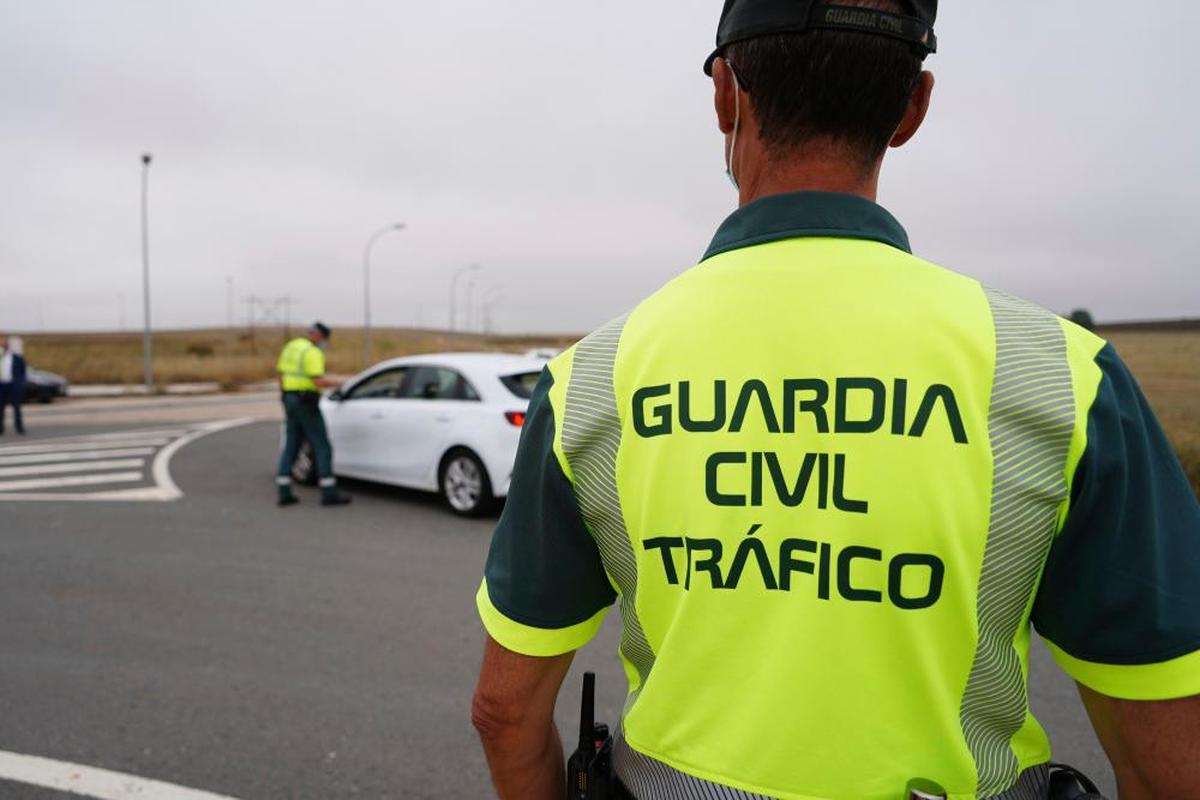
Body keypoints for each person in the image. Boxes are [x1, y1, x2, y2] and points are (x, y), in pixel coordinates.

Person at [471, 1, 1200, 798]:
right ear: (911, 108)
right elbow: (1170, 758)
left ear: (725, 94)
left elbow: (505, 711)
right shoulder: (1064, 377)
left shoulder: (593, 379)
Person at [274, 322, 351, 507]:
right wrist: (340, 384)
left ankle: (284, 492)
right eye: (325, 339)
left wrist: (287, 396)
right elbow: (318, 381)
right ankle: (328, 492)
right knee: (322, 445)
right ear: (319, 336)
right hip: (306, 402)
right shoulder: (313, 352)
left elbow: (281, 375)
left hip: (288, 398)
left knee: (292, 443)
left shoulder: (292, 346)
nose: (324, 343)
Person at [0, 335, 27, 436]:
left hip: (13, 385)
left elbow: (23, 372)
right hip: (2, 385)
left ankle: (19, 427)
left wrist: (21, 384)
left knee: (17, 408)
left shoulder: (17, 357)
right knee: (1, 408)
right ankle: (0, 429)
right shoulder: (0, 357)